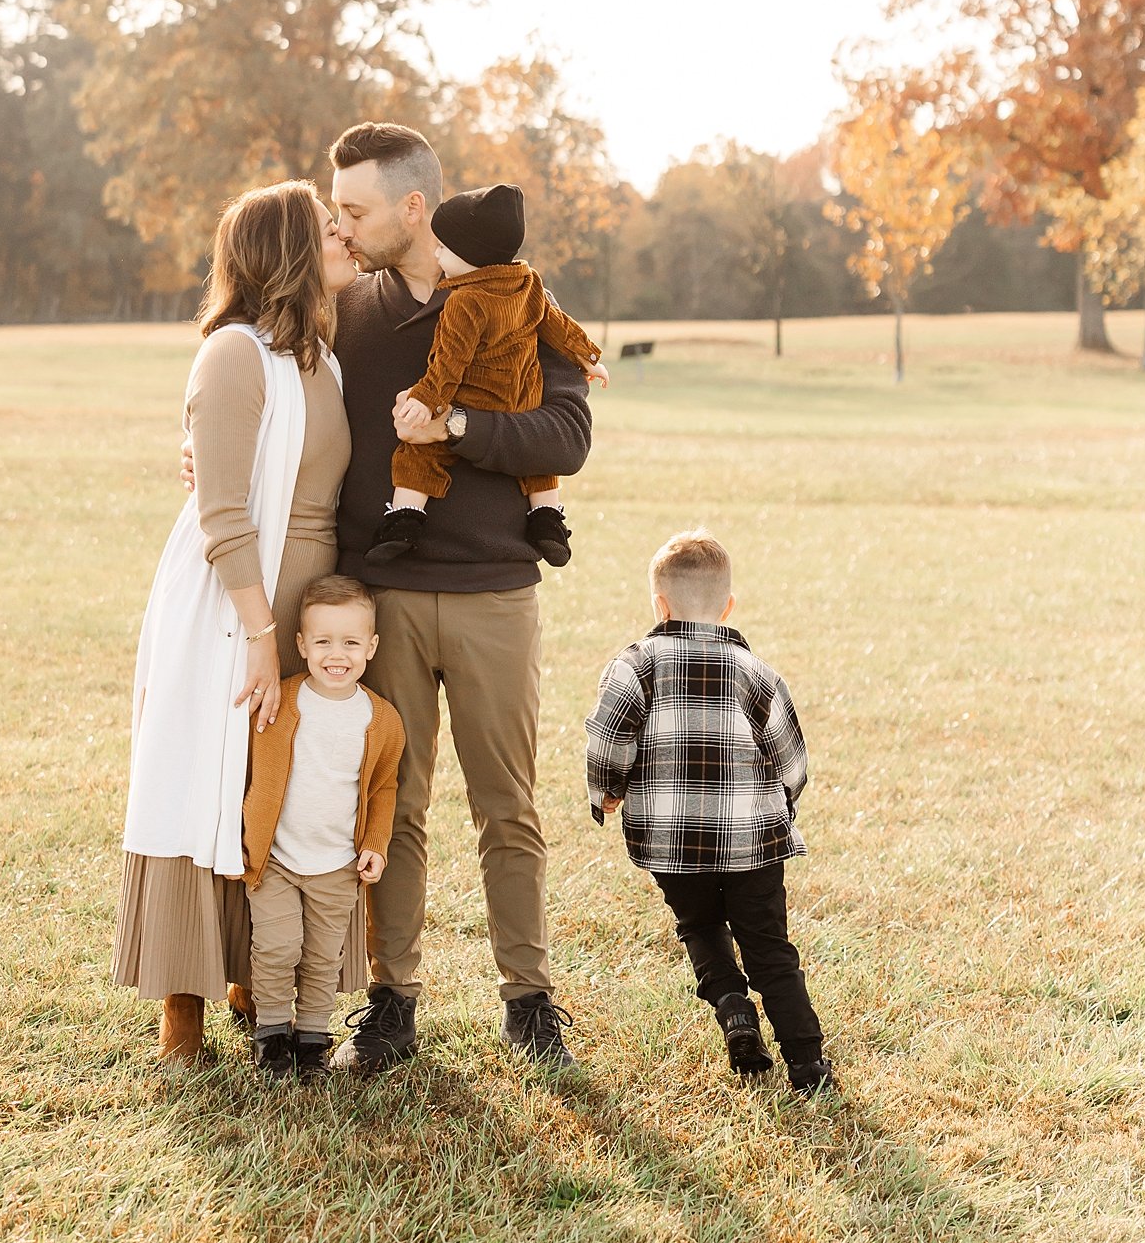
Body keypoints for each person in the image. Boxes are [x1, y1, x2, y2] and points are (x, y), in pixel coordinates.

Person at [328, 122, 592, 1071]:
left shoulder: (516, 294)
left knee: (507, 808)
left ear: (414, 206)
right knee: (389, 807)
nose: (344, 226)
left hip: (493, 594)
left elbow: (566, 437)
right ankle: (391, 1003)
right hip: (382, 600)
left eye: (357, 208)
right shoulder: (346, 310)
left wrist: (461, 421)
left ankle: (529, 1004)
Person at [113, 179, 359, 1065]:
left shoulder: (321, 359)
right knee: (203, 784)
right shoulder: (232, 355)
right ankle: (184, 1005)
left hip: (309, 602)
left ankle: (266, 981)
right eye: (330, 228)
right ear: (291, 250)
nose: (346, 237)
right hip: (231, 603)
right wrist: (260, 632)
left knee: (282, 791)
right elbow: (222, 512)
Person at [584, 528, 835, 1092]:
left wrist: (607, 793)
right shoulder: (756, 672)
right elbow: (791, 760)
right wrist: (780, 805)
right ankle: (806, 1063)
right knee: (769, 946)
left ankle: (732, 1008)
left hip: (671, 843)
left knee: (698, 923)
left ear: (659, 604)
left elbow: (607, 740)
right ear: (727, 607)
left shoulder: (634, 667)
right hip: (753, 844)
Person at [364, 182, 609, 572]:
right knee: (536, 466)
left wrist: (425, 401)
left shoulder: (464, 302)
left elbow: (448, 363)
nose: (436, 252)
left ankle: (405, 518)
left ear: (471, 257)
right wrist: (587, 355)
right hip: (522, 394)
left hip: (475, 395)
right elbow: (556, 324)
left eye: (444, 248)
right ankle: (547, 518)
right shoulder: (528, 284)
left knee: (421, 450)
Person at [241, 575, 405, 1083]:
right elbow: (247, 770)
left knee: (320, 957)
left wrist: (375, 844)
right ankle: (271, 1035)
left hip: (337, 866)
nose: (338, 654)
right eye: (324, 641)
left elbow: (383, 789)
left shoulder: (381, 720)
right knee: (276, 947)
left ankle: (312, 1039)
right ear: (301, 645)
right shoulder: (279, 702)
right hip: (277, 860)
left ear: (371, 647)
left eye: (351, 642)